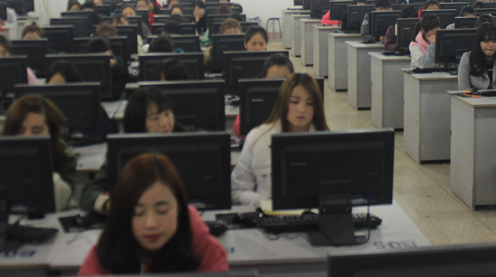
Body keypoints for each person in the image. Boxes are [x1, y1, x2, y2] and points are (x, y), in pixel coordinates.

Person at [78, 153, 228, 275]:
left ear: (179, 208)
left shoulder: (203, 249)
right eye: (138, 212)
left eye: (162, 211)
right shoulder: (106, 252)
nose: (151, 224)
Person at [80, 88, 185, 214]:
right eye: (155, 118)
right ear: (139, 123)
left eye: (167, 114)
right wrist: (110, 205)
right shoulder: (124, 152)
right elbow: (88, 193)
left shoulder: (188, 144)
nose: (164, 123)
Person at [231, 73, 329, 207]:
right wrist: (264, 202)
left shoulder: (327, 142)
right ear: (283, 103)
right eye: (294, 102)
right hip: (268, 214)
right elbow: (236, 190)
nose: (302, 109)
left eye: (310, 103)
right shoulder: (257, 138)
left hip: (315, 215)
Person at [0, 95, 77, 211]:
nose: (27, 136)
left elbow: (58, 202)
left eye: (37, 130)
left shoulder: (63, 156)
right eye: (20, 130)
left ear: (51, 131)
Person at [231, 53, 294, 138]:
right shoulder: (254, 94)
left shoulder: (298, 98)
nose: (279, 85)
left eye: (284, 79)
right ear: (264, 79)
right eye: (273, 80)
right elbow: (238, 130)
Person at [457, 23, 496, 91]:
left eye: (494, 41)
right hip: (476, 97)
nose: (491, 45)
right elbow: (464, 88)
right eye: (486, 42)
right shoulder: (467, 58)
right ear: (479, 43)